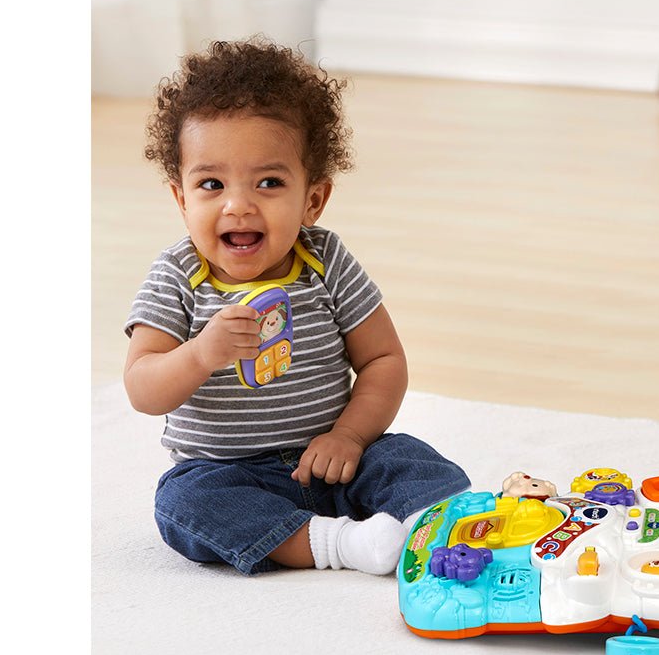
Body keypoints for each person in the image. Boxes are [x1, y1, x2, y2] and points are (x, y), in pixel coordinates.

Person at [123, 37, 470, 576]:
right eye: (211, 183)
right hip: (229, 474)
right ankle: (339, 544)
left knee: (406, 458)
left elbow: (383, 359)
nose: (238, 204)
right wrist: (200, 354)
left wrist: (349, 436)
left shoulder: (324, 260)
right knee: (182, 503)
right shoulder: (177, 275)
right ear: (181, 199)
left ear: (313, 200)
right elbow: (142, 387)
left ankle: (443, 529)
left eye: (269, 182)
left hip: (337, 461)